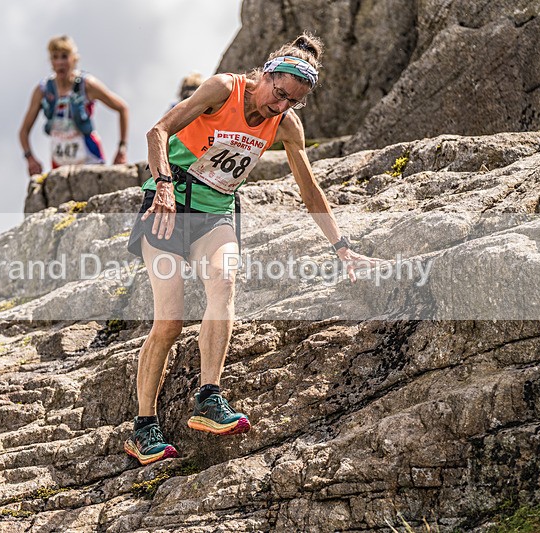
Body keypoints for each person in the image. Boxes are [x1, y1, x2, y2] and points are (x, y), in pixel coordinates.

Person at [123, 33, 380, 465]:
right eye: (278, 94)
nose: (278, 107)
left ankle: (209, 399)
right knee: (169, 322)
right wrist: (163, 186)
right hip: (169, 206)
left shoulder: (285, 125)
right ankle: (143, 428)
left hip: (217, 213)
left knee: (224, 283)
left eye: (291, 102)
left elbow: (309, 189)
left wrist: (342, 247)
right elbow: (158, 131)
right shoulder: (224, 89)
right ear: (265, 74)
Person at [19, 35, 129, 176]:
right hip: (59, 161)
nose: (60, 62)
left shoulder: (87, 85)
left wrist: (122, 149)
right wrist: (30, 159)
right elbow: (23, 131)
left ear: (74, 59)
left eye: (64, 57)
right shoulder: (44, 90)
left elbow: (122, 108)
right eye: (55, 57)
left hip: (89, 157)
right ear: (50, 61)